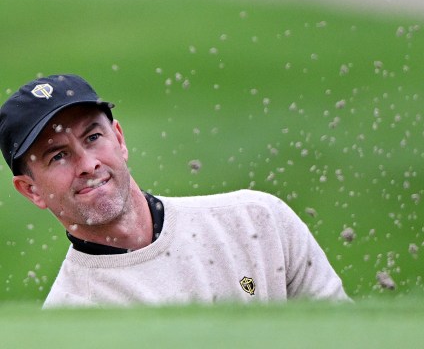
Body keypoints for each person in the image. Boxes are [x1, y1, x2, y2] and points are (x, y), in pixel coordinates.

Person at [0, 74, 348, 307]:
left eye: (93, 137)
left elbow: (344, 334)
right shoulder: (72, 316)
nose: (88, 164)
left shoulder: (256, 221)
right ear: (31, 190)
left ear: (118, 139)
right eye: (59, 156)